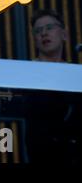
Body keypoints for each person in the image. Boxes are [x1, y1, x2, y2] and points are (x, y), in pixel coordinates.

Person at [24, 9, 82, 164]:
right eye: (38, 31)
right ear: (35, 39)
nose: (44, 33)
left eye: (49, 28)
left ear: (64, 35)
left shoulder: (76, 73)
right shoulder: (25, 72)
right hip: (41, 154)